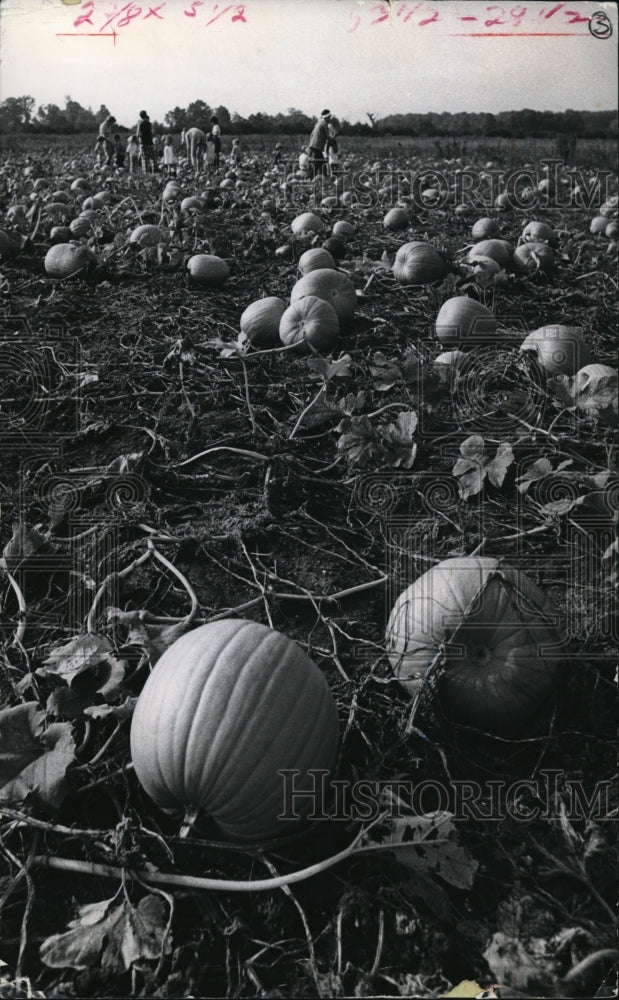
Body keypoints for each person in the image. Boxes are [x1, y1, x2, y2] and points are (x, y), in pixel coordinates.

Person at [308, 109, 332, 177]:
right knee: (319, 164)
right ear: (326, 117)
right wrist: (332, 143)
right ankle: (314, 178)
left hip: (313, 145)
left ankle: (318, 177)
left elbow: (311, 134)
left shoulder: (318, 123)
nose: (330, 118)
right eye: (329, 117)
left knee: (320, 163)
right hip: (317, 147)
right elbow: (328, 136)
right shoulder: (324, 124)